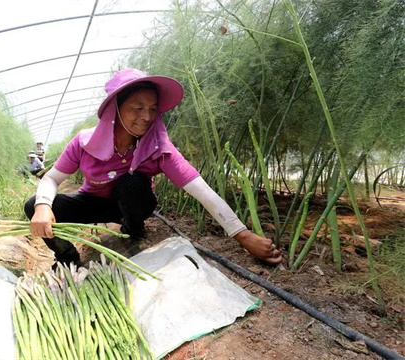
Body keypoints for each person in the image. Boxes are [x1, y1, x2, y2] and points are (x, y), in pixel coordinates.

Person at [24, 68, 283, 267]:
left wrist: (243, 236)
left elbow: (202, 191)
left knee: (132, 182)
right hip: (90, 201)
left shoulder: (158, 149)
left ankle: (133, 229)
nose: (147, 117)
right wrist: (44, 206)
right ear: (116, 109)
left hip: (129, 206)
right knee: (34, 204)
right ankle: (66, 253)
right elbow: (52, 179)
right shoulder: (84, 142)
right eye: (137, 108)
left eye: (152, 109)